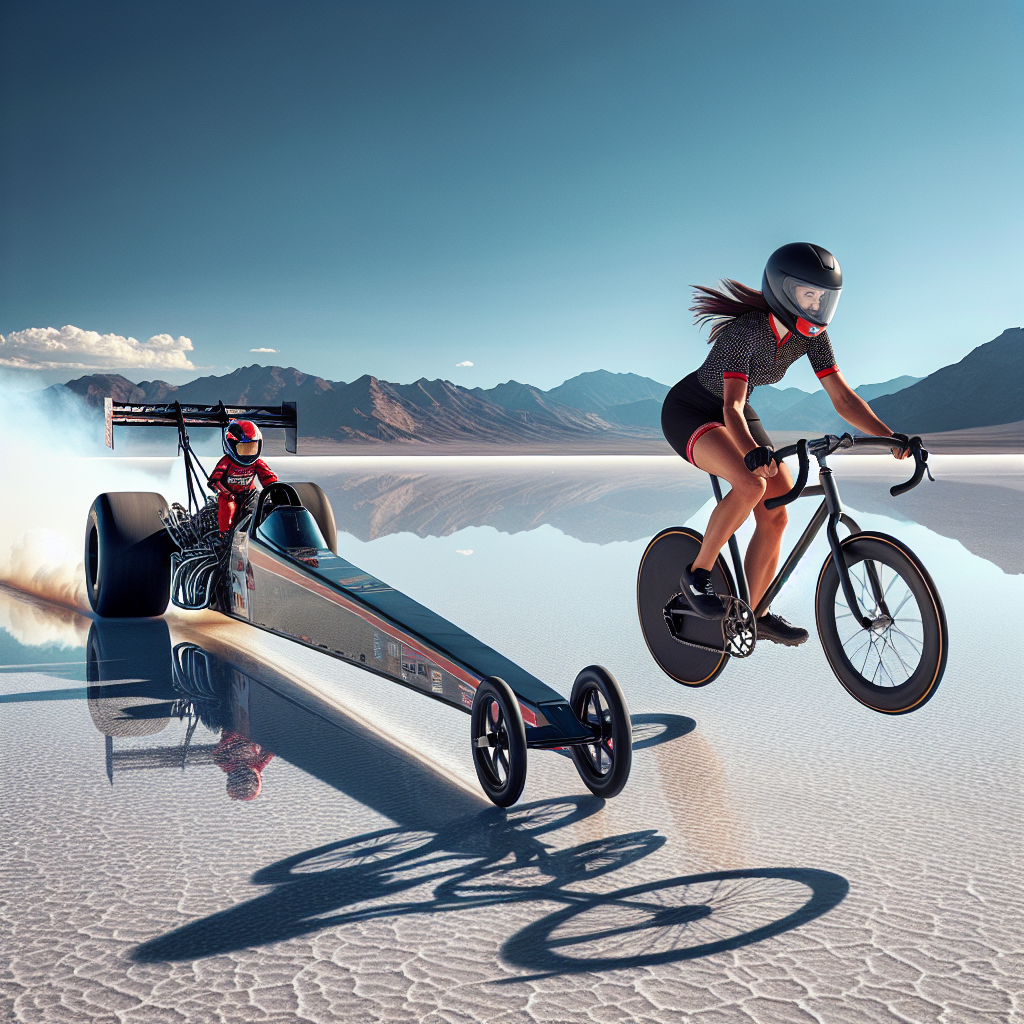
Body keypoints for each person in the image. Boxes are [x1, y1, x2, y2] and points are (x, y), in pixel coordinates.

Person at [661, 242, 910, 646]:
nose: (815, 306)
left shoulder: (812, 338)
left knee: (777, 510)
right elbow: (732, 405)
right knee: (751, 484)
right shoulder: (747, 332)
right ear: (782, 291)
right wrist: (749, 454)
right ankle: (697, 574)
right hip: (693, 411)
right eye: (807, 294)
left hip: (737, 414)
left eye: (822, 298)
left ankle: (754, 614)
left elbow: (843, 398)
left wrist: (889, 436)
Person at [208, 419, 279, 532]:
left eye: (252, 448)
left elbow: (268, 478)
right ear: (232, 446)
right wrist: (226, 493)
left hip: (250, 494)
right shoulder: (226, 462)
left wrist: (276, 491)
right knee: (228, 511)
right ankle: (226, 537)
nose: (249, 453)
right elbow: (214, 481)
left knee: (261, 511)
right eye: (243, 448)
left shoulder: (257, 463)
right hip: (229, 496)